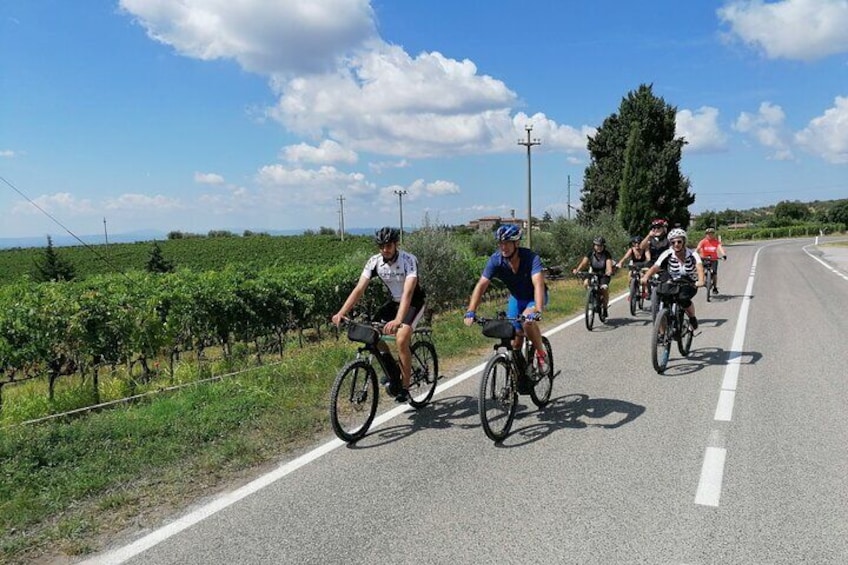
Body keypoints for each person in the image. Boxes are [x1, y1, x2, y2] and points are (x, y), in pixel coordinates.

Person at [331, 227, 426, 403]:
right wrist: (341, 312)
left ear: (396, 244)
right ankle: (392, 371)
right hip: (394, 302)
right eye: (381, 246)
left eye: (388, 245)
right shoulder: (374, 262)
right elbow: (359, 289)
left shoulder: (408, 260)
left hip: (413, 302)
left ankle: (405, 387)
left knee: (401, 339)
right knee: (372, 334)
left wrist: (398, 320)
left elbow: (408, 292)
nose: (385, 249)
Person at [463, 224, 550, 377]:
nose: (503, 247)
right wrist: (471, 311)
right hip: (517, 298)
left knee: (527, 322)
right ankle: (520, 375)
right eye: (500, 243)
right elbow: (481, 285)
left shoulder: (531, 258)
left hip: (535, 297)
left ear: (516, 243)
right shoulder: (496, 260)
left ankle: (542, 355)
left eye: (507, 243)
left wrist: (537, 309)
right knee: (515, 340)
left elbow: (538, 284)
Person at [641, 227, 705, 329]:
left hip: (688, 281)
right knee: (663, 297)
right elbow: (656, 266)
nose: (676, 244)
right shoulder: (667, 253)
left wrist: (701, 280)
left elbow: (699, 267)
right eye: (673, 242)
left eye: (679, 241)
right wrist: (646, 276)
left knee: (683, 298)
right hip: (673, 280)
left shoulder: (693, 254)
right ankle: (663, 332)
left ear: (684, 242)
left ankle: (692, 317)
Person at [572, 236, 615, 317]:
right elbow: (583, 263)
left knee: (604, 288)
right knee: (586, 283)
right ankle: (591, 297)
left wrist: (609, 271)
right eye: (597, 245)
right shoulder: (590, 253)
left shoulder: (607, 254)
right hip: (593, 273)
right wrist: (577, 270)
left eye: (600, 245)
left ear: (603, 246)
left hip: (603, 274)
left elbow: (608, 264)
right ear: (594, 246)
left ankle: (605, 307)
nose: (598, 247)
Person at [695, 227, 727, 294]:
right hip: (704, 259)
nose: (710, 235)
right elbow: (698, 248)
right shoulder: (703, 241)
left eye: (711, 234)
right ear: (706, 235)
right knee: (700, 271)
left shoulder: (716, 242)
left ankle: (715, 288)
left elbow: (720, 248)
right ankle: (701, 281)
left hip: (713, 259)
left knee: (714, 274)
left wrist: (723, 255)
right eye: (708, 234)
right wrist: (695, 254)